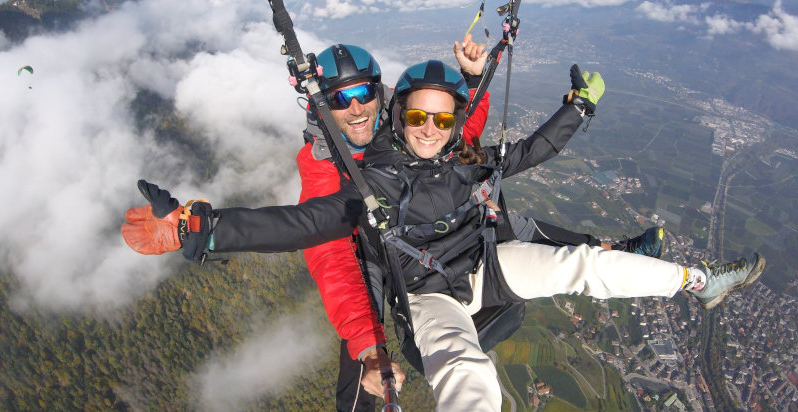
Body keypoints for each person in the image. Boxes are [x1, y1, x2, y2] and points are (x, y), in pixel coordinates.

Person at [122, 58, 765, 410]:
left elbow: (528, 152)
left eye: (442, 116)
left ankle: (699, 283)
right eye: (418, 115)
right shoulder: (367, 180)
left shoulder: (459, 156)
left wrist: (577, 110)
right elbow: (309, 228)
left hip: (484, 265)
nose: (430, 125)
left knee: (577, 262)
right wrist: (203, 229)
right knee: (463, 366)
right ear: (399, 117)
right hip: (425, 294)